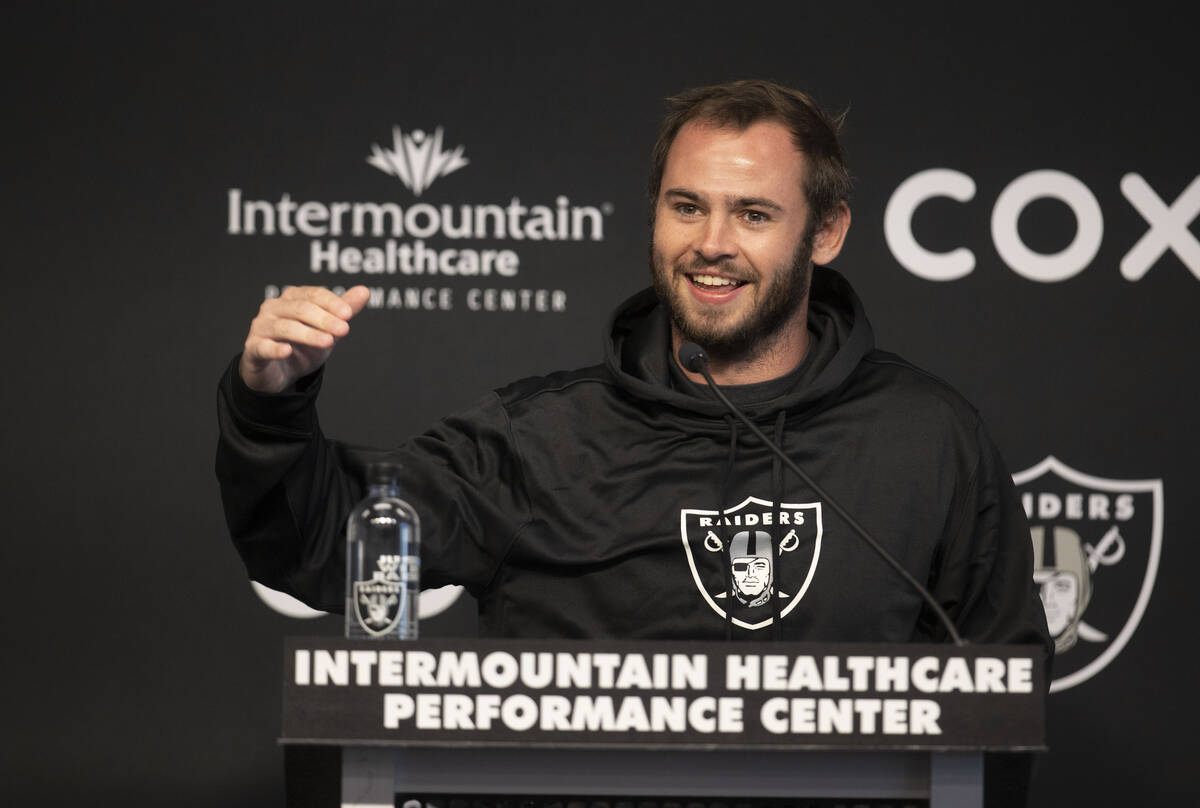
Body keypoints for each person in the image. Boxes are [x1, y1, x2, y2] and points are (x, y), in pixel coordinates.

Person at [217, 78, 1049, 650]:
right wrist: (270, 404)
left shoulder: (926, 438)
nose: (712, 244)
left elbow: (1006, 699)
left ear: (825, 233)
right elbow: (324, 545)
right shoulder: (537, 439)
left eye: (753, 213)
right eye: (687, 206)